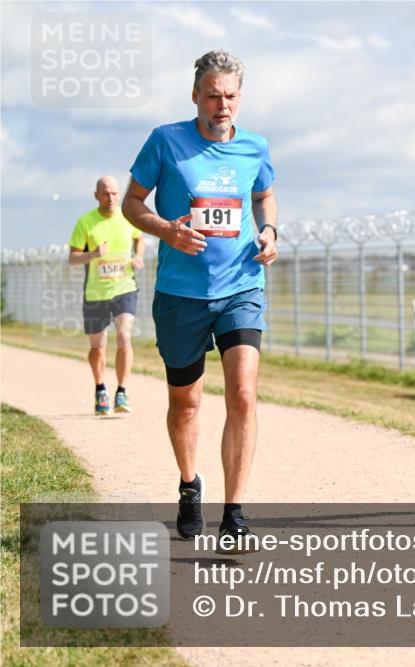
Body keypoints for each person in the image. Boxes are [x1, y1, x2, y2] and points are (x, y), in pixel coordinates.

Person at [122, 50, 278, 554]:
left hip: (242, 286)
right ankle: (190, 484)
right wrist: (168, 230)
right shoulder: (165, 141)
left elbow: (264, 195)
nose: (222, 105)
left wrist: (271, 230)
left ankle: (235, 514)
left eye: (230, 96)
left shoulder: (255, 146)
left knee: (244, 393)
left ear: (240, 98)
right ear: (195, 95)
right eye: (212, 95)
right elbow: (131, 203)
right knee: (185, 404)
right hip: (181, 295)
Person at [68, 176, 145, 415]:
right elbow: (72, 258)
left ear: (119, 193)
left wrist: (138, 256)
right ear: (96, 196)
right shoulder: (85, 223)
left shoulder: (127, 216)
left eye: (113, 193)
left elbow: (139, 238)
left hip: (124, 289)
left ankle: (121, 392)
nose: (110, 198)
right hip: (95, 292)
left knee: (124, 336)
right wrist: (93, 255)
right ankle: (100, 389)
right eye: (105, 194)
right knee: (98, 347)